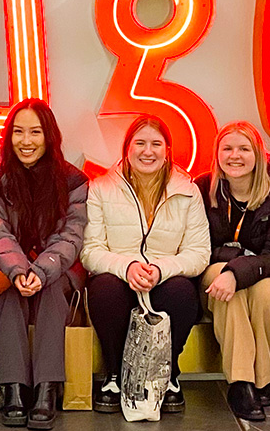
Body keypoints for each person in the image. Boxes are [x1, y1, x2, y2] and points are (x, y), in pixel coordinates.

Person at [81, 115, 211, 415]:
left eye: (156, 144)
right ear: (127, 148)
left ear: (168, 149)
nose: (147, 151)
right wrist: (126, 268)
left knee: (181, 292)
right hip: (120, 276)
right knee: (103, 289)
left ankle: (169, 374)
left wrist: (161, 270)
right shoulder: (101, 188)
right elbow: (90, 251)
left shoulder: (187, 190)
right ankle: (114, 374)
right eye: (140, 143)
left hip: (165, 276)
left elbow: (199, 252)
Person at [0, 99, 87, 431]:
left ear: (49, 136)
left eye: (35, 132)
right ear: (9, 137)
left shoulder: (73, 181)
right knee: (8, 293)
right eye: (18, 132)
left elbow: (71, 234)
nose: (26, 141)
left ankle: (46, 389)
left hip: (59, 269)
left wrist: (41, 271)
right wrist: (20, 270)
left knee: (51, 291)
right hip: (12, 269)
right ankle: (14, 389)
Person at [195, 122, 270, 421]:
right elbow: (197, 248)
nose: (235, 156)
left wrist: (236, 269)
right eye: (227, 148)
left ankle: (261, 378)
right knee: (225, 286)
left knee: (267, 293)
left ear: (258, 155)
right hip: (214, 275)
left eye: (244, 149)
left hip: (267, 274)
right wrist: (234, 267)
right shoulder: (202, 188)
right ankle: (243, 382)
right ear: (216, 154)